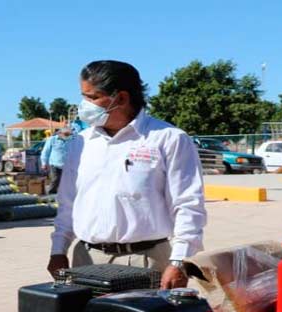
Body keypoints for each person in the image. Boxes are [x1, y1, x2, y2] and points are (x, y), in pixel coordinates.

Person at [47, 60, 206, 290]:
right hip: (88, 260)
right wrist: (58, 250)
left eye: (92, 97)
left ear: (121, 98)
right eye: (83, 96)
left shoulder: (168, 138)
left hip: (146, 261)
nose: (84, 105)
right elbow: (68, 203)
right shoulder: (81, 143)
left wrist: (179, 260)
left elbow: (188, 204)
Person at [40, 126, 73, 194]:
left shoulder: (71, 140)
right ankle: (51, 195)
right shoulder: (52, 140)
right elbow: (45, 152)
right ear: (60, 133)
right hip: (55, 165)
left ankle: (63, 197)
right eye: (66, 134)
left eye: (69, 134)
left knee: (67, 183)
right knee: (55, 180)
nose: (68, 136)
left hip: (67, 166)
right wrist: (44, 163)